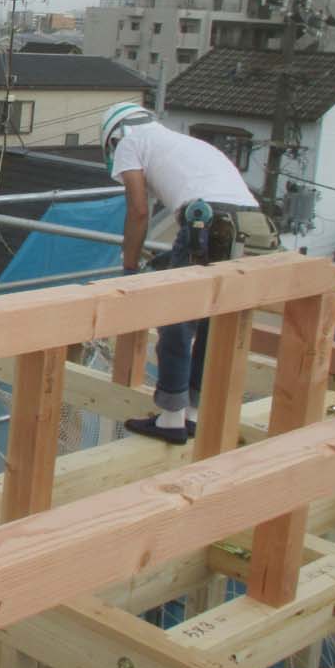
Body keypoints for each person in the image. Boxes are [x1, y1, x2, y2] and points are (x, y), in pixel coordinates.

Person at [101, 101, 280, 445]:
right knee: (213, 319)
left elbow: (138, 211)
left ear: (113, 137)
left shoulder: (129, 143)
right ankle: (192, 414)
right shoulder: (187, 144)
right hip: (254, 227)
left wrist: (129, 267)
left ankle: (170, 419)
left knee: (176, 320)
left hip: (209, 221)